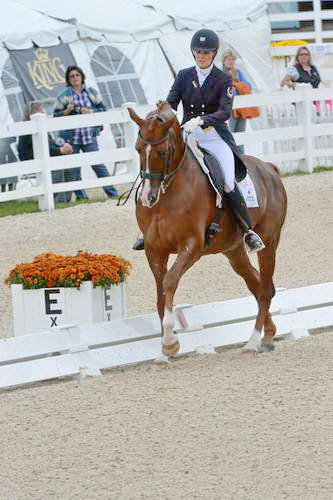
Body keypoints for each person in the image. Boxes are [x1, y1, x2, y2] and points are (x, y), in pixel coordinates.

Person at [133, 29, 265, 253]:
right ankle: (148, 228)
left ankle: (248, 231)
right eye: (198, 52)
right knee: (163, 169)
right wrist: (158, 116)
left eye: (206, 52)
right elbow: (171, 103)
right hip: (187, 135)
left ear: (213, 54)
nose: (202, 55)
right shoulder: (184, 75)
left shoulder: (224, 79)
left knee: (228, 181)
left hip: (214, 136)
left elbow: (225, 112)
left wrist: (202, 120)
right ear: (193, 53)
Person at [54, 65, 118, 200]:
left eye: (77, 75)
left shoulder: (91, 92)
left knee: (98, 165)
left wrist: (91, 112)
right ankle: (82, 197)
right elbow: (55, 116)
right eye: (71, 76)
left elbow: (103, 110)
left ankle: (112, 193)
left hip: (89, 136)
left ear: (82, 77)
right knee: (75, 170)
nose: (75, 78)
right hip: (72, 138)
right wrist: (66, 111)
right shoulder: (64, 96)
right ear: (68, 79)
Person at [18, 101, 73, 204]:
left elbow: (49, 146)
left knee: (69, 164)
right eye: (41, 111)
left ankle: (65, 199)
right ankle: (58, 200)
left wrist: (62, 147)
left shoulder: (40, 127)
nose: (44, 113)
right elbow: (41, 149)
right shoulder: (29, 130)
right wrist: (59, 150)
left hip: (43, 159)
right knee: (58, 165)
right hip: (33, 163)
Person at [222, 50, 252, 154]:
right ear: (224, 61)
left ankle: (242, 158)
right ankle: (232, 157)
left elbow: (248, 86)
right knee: (231, 134)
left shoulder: (238, 73)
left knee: (241, 134)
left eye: (232, 59)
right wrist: (238, 87)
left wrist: (237, 84)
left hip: (241, 108)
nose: (231, 62)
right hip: (229, 110)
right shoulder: (221, 74)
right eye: (228, 59)